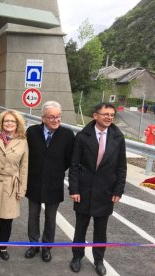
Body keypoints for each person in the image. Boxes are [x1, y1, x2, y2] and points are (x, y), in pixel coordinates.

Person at [69, 103, 126, 276]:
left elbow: (121, 167)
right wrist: (74, 189)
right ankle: (77, 257)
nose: (109, 117)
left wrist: (118, 190)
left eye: (112, 115)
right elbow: (74, 165)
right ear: (95, 116)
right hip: (84, 192)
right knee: (80, 228)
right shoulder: (82, 136)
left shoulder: (118, 137)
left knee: (101, 231)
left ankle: (99, 260)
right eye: (105, 114)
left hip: (106, 192)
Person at [24, 101, 74, 262]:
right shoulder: (31, 132)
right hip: (34, 182)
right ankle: (33, 244)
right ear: (43, 118)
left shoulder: (67, 135)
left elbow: (69, 159)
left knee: (51, 218)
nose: (56, 120)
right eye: (52, 117)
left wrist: (55, 170)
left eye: (58, 116)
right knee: (33, 216)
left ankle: (47, 247)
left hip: (54, 183)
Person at [0, 110, 28, 261]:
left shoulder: (23, 142)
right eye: (6, 121)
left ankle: (3, 247)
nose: (9, 123)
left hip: (11, 184)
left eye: (12, 121)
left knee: (7, 219)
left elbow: (24, 167)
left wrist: (22, 189)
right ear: (1, 123)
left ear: (17, 124)